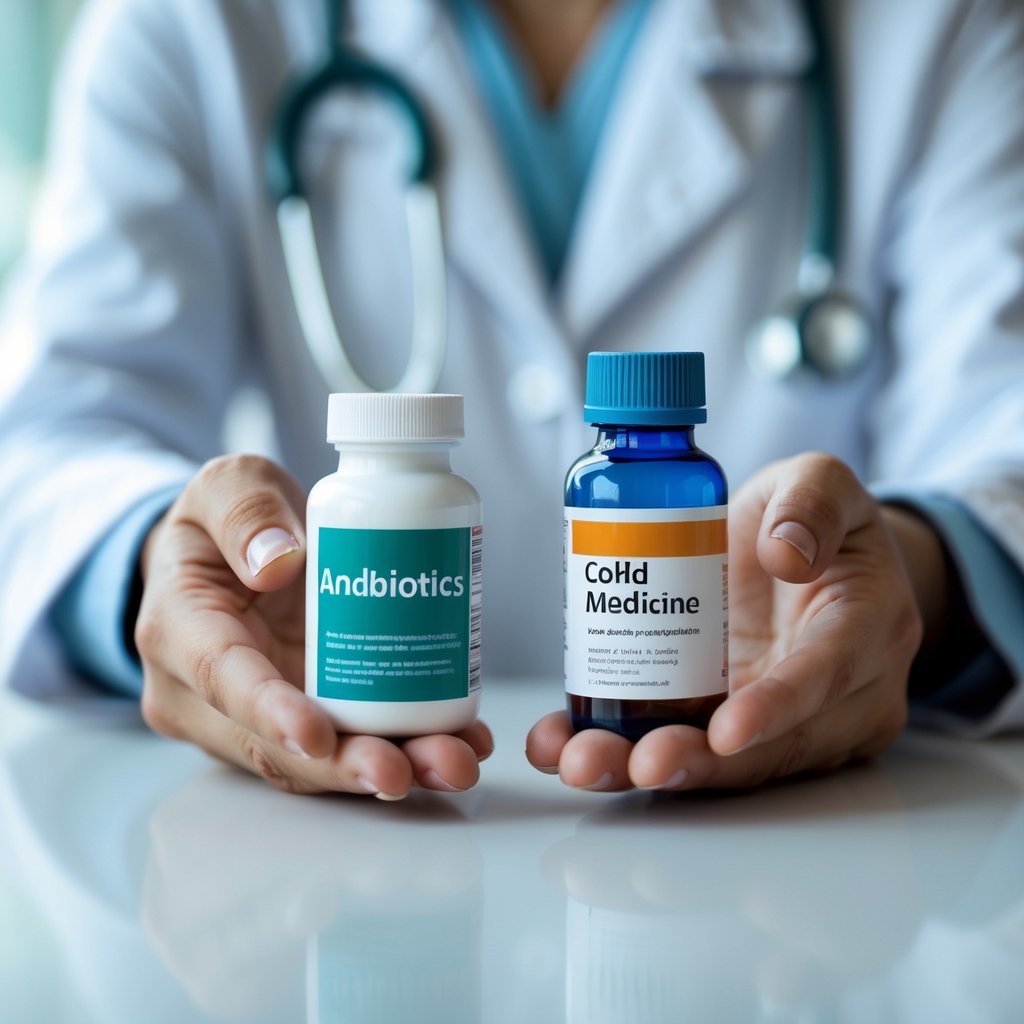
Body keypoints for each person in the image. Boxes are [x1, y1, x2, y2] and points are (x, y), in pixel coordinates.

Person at [1, 0, 1022, 800]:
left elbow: (1002, 436)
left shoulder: (939, 21)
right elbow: (48, 444)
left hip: (802, 846)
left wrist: (912, 577)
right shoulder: (190, 21)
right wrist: (157, 568)